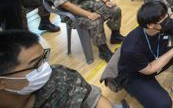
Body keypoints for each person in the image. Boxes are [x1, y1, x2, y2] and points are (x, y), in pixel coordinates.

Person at [0, 30, 129, 108]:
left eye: (44, 58)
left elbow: (93, 99)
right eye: (35, 64)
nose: (46, 67)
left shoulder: (59, 75)